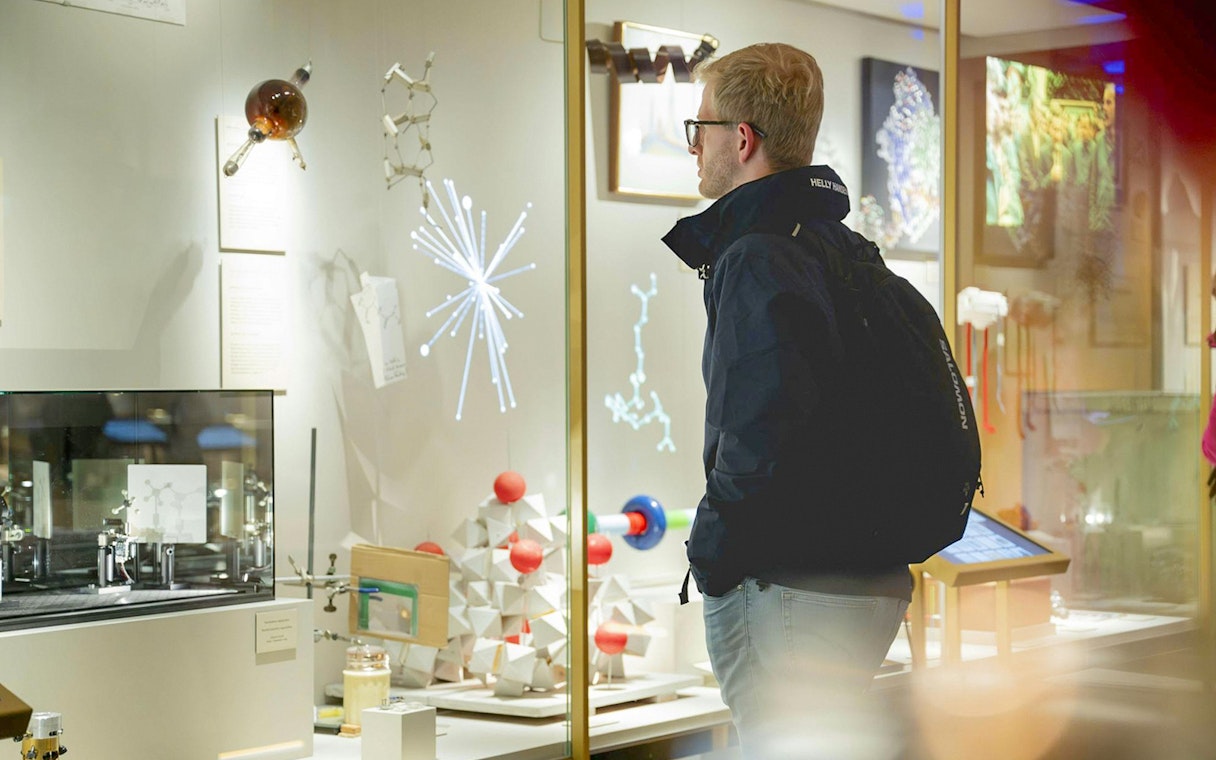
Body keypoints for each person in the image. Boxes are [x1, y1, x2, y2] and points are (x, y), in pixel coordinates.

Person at [661, 43, 911, 759]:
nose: (695, 148)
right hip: (865, 581)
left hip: (788, 587)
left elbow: (759, 433)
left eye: (699, 129)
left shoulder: (758, 254)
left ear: (741, 141)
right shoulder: (838, 245)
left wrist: (710, 555)